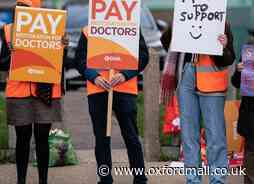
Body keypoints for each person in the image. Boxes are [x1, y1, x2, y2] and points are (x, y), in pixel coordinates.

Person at [0, 0, 67, 183]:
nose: (20, 10)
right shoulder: (8, 31)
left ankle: (42, 181)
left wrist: (63, 47)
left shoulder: (50, 27)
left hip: (44, 92)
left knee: (42, 138)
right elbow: (2, 64)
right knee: (23, 139)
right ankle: (21, 181)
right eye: (19, 6)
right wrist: (12, 52)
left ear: (36, 10)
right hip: (19, 92)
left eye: (25, 7)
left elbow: (60, 63)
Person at [160, 23, 236, 184]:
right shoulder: (184, 16)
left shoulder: (220, 20)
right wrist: (177, 24)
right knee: (188, 135)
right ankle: (193, 180)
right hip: (185, 76)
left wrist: (223, 46)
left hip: (212, 82)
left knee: (215, 136)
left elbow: (229, 59)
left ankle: (218, 180)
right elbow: (165, 40)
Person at [75, 26, 149, 184]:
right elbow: (80, 59)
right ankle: (105, 178)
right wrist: (93, 76)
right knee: (101, 138)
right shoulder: (88, 30)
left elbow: (143, 56)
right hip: (98, 89)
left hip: (125, 89)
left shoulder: (131, 26)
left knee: (131, 136)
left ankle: (140, 178)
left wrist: (125, 74)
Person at [231, 29, 254, 184]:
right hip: (251, 111)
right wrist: (239, 71)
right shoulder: (249, 52)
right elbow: (236, 83)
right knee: (251, 149)